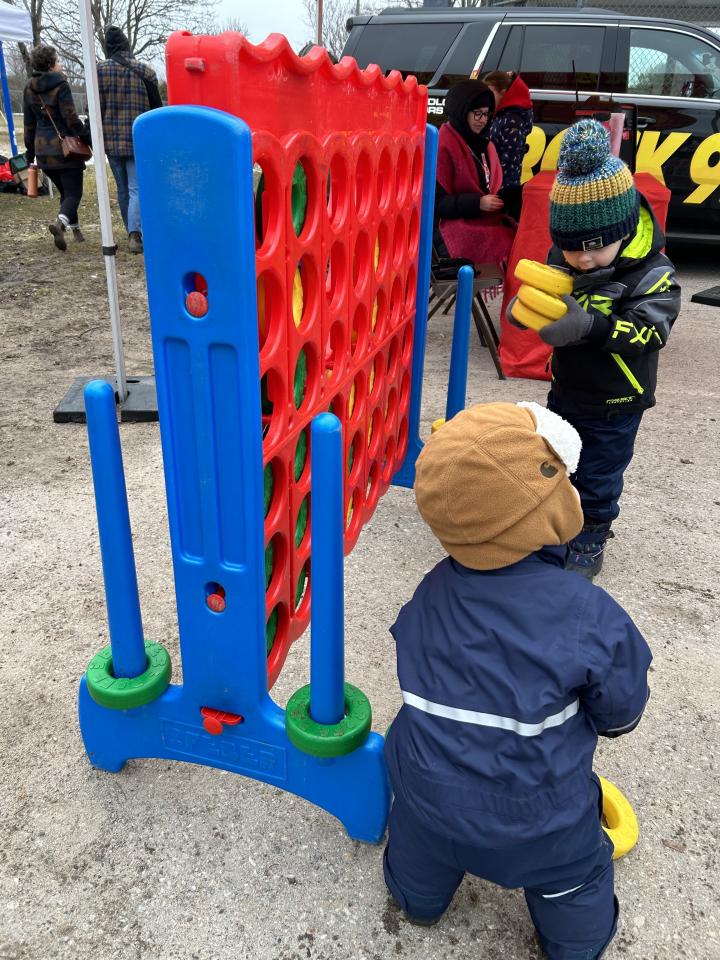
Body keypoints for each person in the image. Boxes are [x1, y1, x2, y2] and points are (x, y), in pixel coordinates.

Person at [383, 400, 652, 960]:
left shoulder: (430, 590)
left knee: (419, 844)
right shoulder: (586, 612)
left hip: (427, 802)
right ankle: (574, 944)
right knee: (575, 879)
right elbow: (621, 710)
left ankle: (418, 898)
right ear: (549, 508)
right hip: (539, 824)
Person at [538, 119, 680, 578]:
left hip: (618, 400)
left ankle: (591, 534)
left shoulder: (651, 275)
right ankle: (554, 522)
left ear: (621, 228)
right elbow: (549, 302)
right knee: (554, 458)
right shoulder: (567, 260)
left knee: (598, 474)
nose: (581, 259)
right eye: (569, 247)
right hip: (567, 387)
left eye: (594, 248)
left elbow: (650, 333)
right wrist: (534, 311)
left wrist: (592, 327)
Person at [434, 80, 516, 268]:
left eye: (486, 114)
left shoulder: (481, 145)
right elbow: (435, 204)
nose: (482, 120)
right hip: (445, 231)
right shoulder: (443, 146)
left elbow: (486, 186)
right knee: (511, 245)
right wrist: (477, 203)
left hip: (474, 220)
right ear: (461, 112)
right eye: (476, 113)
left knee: (520, 235)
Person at [97, 26, 162, 254]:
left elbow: (92, 109)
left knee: (122, 189)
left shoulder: (98, 72)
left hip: (111, 141)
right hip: (138, 140)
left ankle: (130, 231)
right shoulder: (145, 72)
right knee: (136, 188)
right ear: (127, 45)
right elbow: (157, 110)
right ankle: (135, 234)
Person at [23, 46, 91, 251]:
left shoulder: (28, 88)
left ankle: (76, 231)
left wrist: (30, 152)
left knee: (65, 192)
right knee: (73, 194)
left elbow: (29, 124)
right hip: (65, 149)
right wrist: (88, 136)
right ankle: (60, 224)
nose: (60, 64)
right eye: (58, 60)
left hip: (43, 150)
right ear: (51, 64)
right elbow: (71, 118)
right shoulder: (61, 85)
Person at [483, 70, 533, 222]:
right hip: (495, 182)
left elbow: (511, 158)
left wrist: (500, 188)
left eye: (491, 93)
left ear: (504, 93)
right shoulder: (500, 115)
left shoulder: (512, 120)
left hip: (504, 186)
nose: (487, 99)